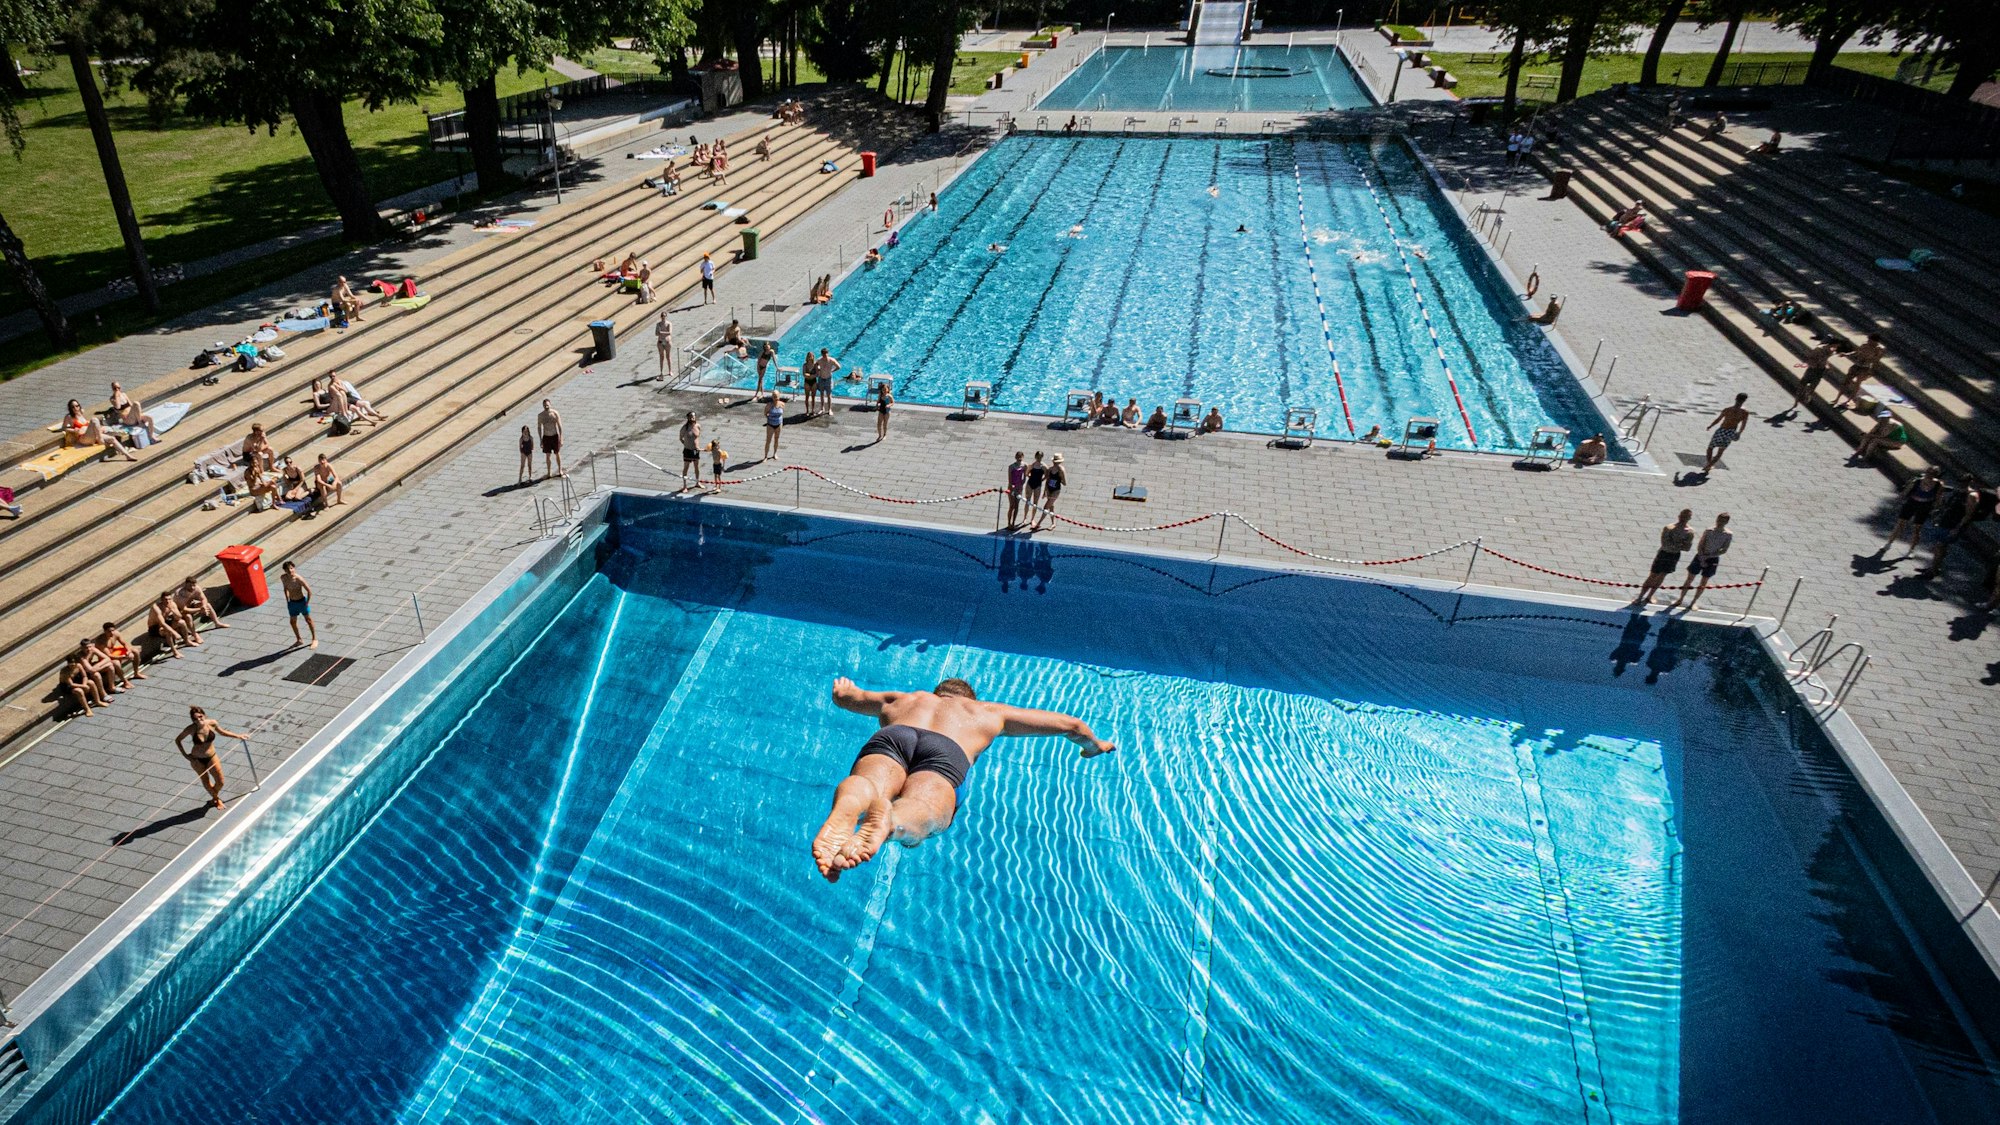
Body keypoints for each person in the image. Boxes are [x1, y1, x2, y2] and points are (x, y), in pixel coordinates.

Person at [809, 676, 1116, 881]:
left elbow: (848, 697)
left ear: (936, 694)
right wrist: (1096, 745)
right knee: (927, 808)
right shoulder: (987, 711)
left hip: (895, 735)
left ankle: (847, 809)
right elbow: (1071, 725)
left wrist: (842, 690)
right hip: (946, 751)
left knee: (869, 783)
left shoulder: (904, 699)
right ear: (969, 698)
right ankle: (890, 824)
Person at [176, 705, 248, 810]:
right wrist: (186, 756)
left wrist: (238, 736)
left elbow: (222, 732)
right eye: (195, 719)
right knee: (206, 781)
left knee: (220, 781)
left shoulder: (212, 723)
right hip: (197, 759)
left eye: (200, 717)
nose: (198, 720)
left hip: (211, 756)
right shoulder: (191, 729)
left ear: (204, 715)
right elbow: (178, 740)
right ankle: (216, 799)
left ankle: (213, 796)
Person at [1923, 474, 1986, 577]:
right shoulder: (1958, 492)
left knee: (1940, 546)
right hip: (1945, 522)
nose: (1960, 484)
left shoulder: (1971, 496)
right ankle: (1934, 567)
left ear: (1970, 482)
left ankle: (1932, 571)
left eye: (1963, 482)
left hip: (1953, 526)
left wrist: (1957, 528)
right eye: (1960, 481)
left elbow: (1968, 514)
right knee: (1941, 547)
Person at [1668, 513, 1733, 610]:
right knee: (1689, 579)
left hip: (1712, 558)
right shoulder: (1709, 531)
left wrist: (1710, 556)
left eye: (1723, 521)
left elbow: (1724, 549)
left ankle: (1693, 602)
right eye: (1719, 520)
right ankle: (1680, 599)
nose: (1720, 522)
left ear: (1726, 522)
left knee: (1703, 582)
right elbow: (1701, 544)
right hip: (1700, 556)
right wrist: (1702, 556)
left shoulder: (1728, 534)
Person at [1635, 509, 1696, 604]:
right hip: (1664, 554)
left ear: (1689, 518)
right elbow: (1665, 544)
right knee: (1653, 575)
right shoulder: (1669, 528)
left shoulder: (1689, 532)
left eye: (1686, 517)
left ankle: (1650, 596)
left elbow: (1687, 548)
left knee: (1662, 576)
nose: (1684, 519)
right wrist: (1680, 544)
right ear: (1679, 516)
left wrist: (1677, 545)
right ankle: (1640, 597)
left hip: (1674, 555)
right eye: (1683, 516)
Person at [1880, 466, 1943, 556]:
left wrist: (1936, 509)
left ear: (1936, 475)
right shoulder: (1917, 481)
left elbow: (1938, 498)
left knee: (1917, 528)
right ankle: (1888, 544)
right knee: (1900, 524)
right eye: (1928, 472)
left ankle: (1911, 550)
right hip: (1912, 503)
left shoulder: (1938, 485)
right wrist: (1899, 501)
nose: (1929, 475)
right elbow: (1905, 492)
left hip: (1924, 506)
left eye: (1932, 473)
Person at [62, 400, 138, 460]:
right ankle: (100, 439)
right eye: (73, 407)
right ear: (70, 408)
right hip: (83, 438)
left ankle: (127, 455)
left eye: (77, 406)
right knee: (94, 420)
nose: (76, 408)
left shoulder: (81, 412)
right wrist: (74, 430)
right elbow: (64, 428)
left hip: (91, 435)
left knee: (112, 438)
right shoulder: (69, 417)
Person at [1702, 392, 1750, 474]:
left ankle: (1708, 464)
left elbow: (1718, 419)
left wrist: (1710, 426)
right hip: (1731, 432)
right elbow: (1743, 425)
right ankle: (1709, 465)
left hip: (1722, 430)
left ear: (1735, 398)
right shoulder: (1744, 412)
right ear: (1744, 400)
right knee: (1720, 451)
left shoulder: (1727, 409)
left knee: (1710, 447)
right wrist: (1739, 433)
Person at [149, 590, 198, 657]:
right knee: (167, 631)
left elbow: (179, 617)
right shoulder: (156, 608)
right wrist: (175, 633)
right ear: (161, 599)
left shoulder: (172, 604)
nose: (167, 601)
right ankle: (174, 651)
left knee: (182, 622)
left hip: (166, 622)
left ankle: (187, 641)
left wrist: (173, 610)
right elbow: (162, 623)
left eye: (169, 599)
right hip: (155, 627)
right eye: (165, 599)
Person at [280, 561, 317, 648]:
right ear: (285, 570)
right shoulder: (283, 578)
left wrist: (307, 603)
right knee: (292, 622)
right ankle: (299, 639)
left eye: (291, 568)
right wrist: (287, 600)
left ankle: (314, 639)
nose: (290, 570)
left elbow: (309, 591)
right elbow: (285, 588)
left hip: (301, 602)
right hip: (292, 603)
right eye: (287, 569)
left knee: (308, 620)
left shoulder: (298, 579)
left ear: (294, 568)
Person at [1790, 341, 1835, 412]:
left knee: (1811, 388)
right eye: (1832, 346)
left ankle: (1807, 395)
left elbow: (1825, 360)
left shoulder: (1830, 352)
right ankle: (1796, 402)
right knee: (1801, 386)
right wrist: (1807, 364)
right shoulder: (1818, 349)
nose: (1833, 348)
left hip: (1819, 372)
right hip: (1811, 370)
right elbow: (1810, 359)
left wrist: (1826, 365)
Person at [1031, 453, 1066, 531]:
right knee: (1051, 506)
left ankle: (1038, 524)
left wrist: (1059, 479)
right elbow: (1047, 480)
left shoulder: (1061, 470)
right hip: (1049, 489)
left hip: (1056, 490)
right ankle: (1053, 523)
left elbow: (1064, 483)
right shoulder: (1050, 469)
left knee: (1046, 507)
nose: (1055, 463)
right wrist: (1045, 492)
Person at [537, 399, 564, 479]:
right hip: (546, 437)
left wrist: (561, 438)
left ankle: (560, 470)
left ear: (550, 405)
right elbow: (539, 427)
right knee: (548, 455)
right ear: (543, 406)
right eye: (545, 405)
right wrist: (540, 439)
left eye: (547, 405)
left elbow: (560, 426)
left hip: (555, 436)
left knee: (557, 453)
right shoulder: (541, 415)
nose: (546, 406)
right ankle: (549, 472)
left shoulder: (555, 413)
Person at [678, 412, 702, 490]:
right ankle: (685, 486)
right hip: (688, 450)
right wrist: (686, 444)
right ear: (688, 418)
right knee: (686, 468)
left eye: (694, 416)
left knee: (696, 467)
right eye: (691, 416)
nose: (692, 418)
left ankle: (697, 482)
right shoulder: (684, 428)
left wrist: (697, 446)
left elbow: (697, 437)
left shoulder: (698, 426)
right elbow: (681, 438)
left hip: (695, 451)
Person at [1006, 452, 1026, 529]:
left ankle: (1013, 522)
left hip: (1019, 487)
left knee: (1017, 506)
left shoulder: (1024, 466)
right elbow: (1009, 479)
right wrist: (1012, 487)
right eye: (1018, 457)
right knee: (1012, 506)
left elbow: (1025, 475)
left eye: (1020, 457)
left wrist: (1023, 481)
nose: (1019, 458)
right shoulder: (1011, 467)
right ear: (1015, 457)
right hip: (1012, 488)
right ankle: (1009, 523)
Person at [1024, 451, 1048, 517]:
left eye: (1040, 457)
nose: (1038, 458)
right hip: (1030, 483)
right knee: (1027, 501)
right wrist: (1030, 477)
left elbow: (1047, 475)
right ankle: (1025, 517)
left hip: (1038, 485)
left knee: (1035, 503)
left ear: (1042, 457)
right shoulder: (1032, 465)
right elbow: (1026, 473)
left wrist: (1042, 480)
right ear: (1035, 457)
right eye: (1037, 457)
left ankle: (1032, 518)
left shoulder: (1044, 466)